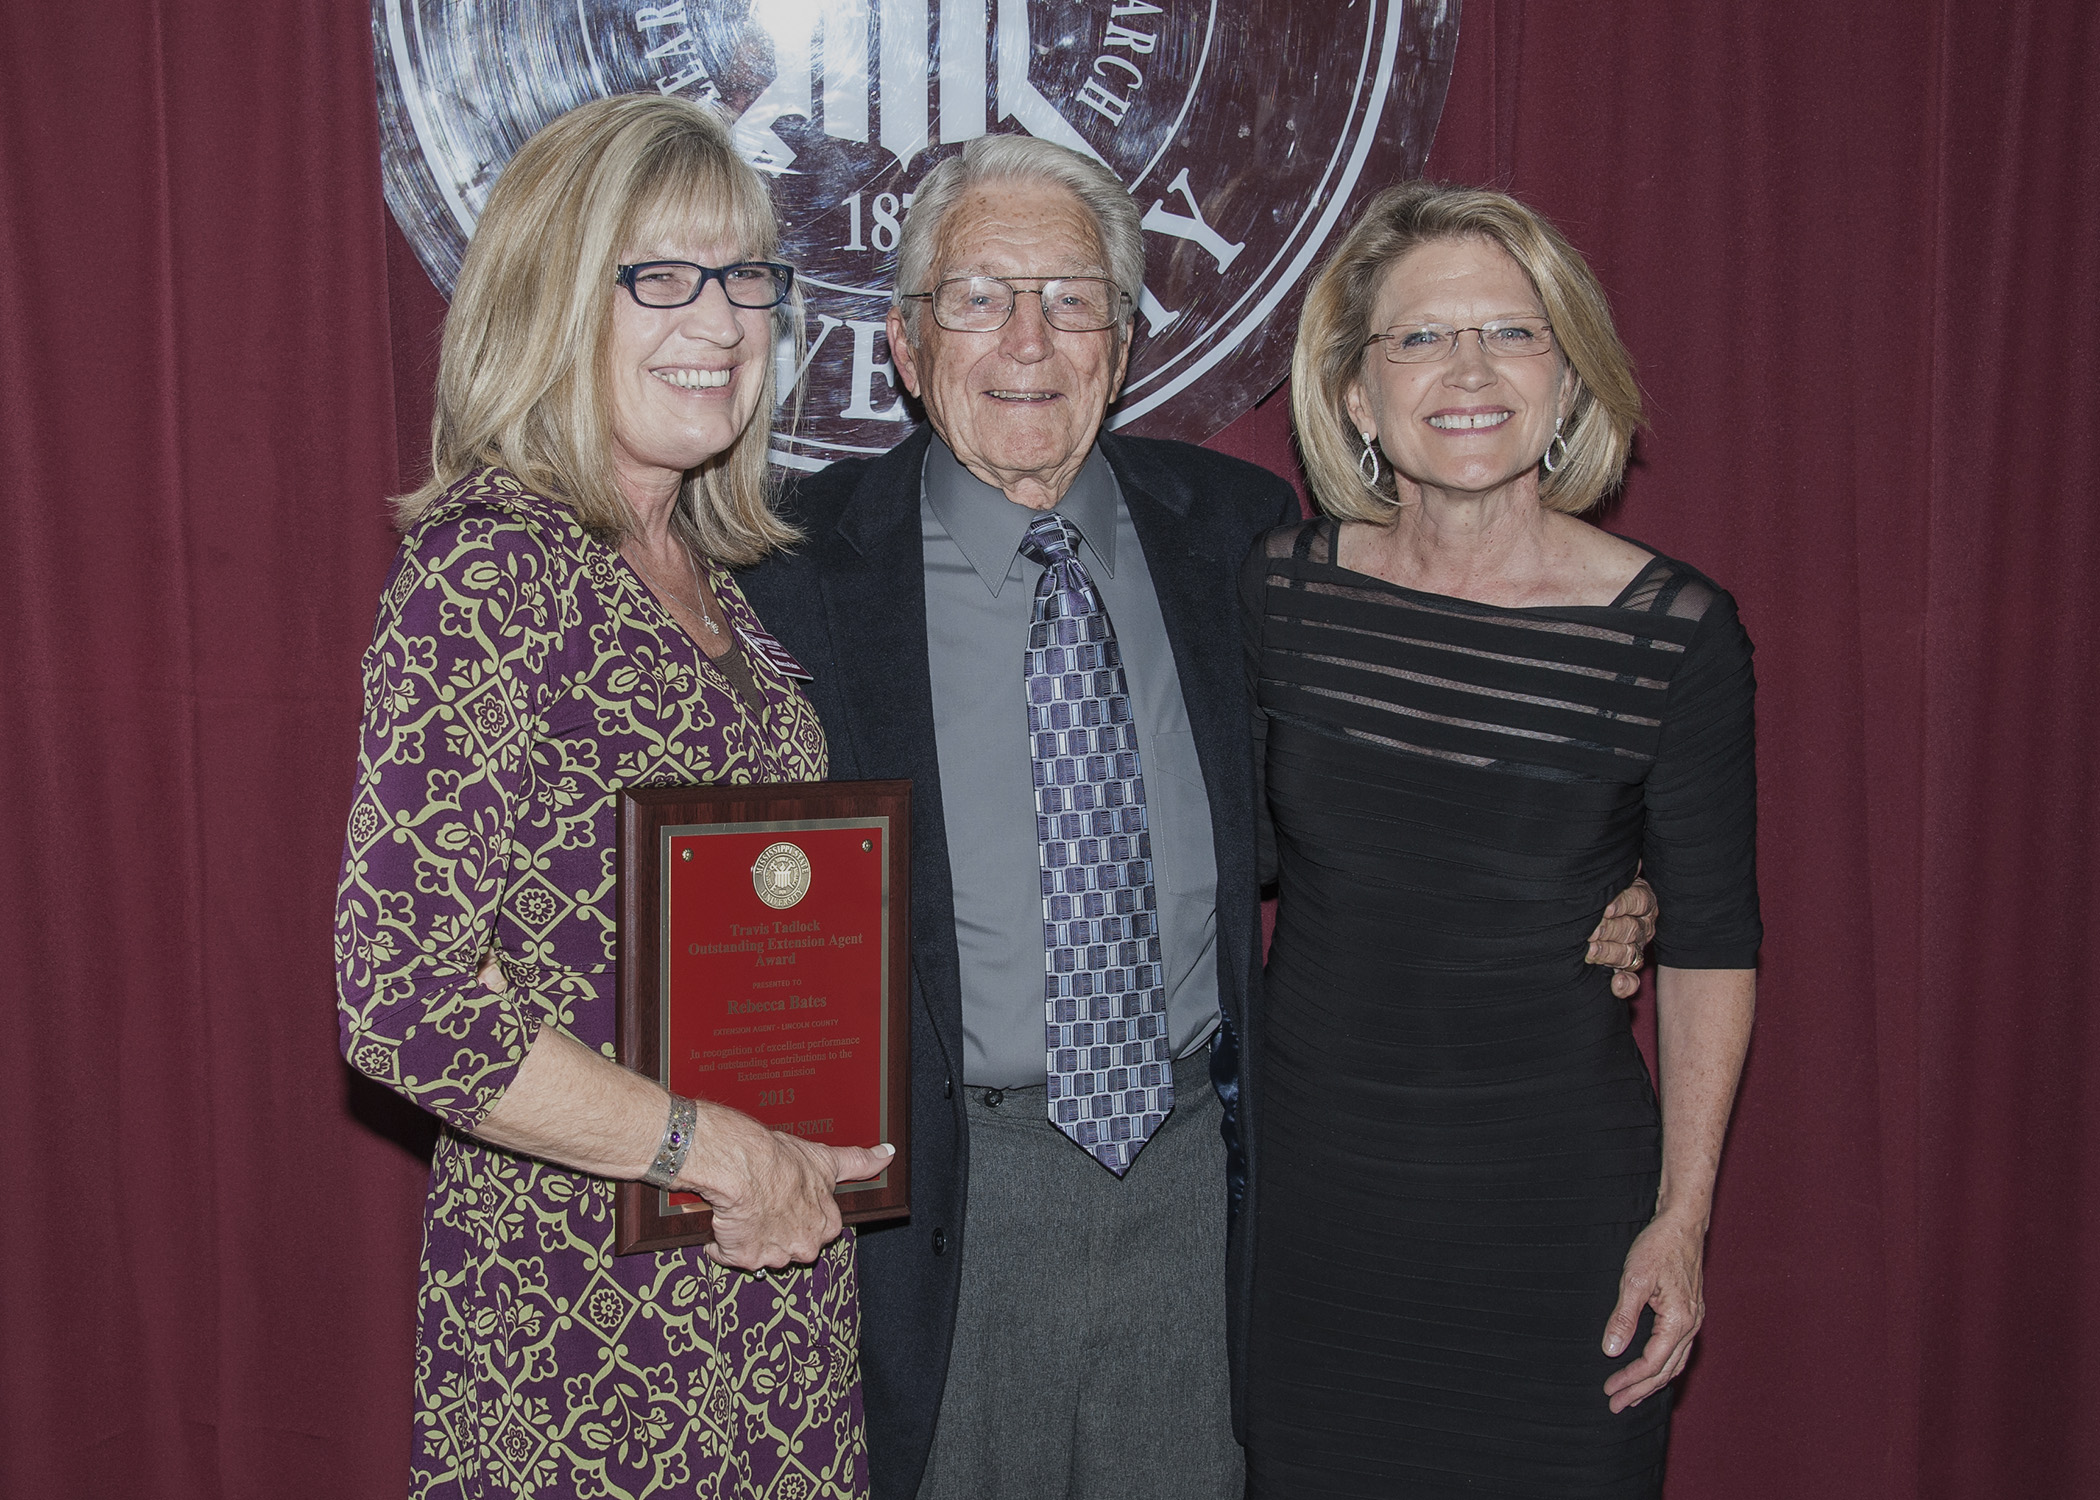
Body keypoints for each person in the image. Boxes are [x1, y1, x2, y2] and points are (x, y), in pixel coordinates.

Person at [740, 140, 1655, 1500]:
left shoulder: (1241, 537)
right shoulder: (785, 570)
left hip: (1194, 1190)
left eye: (1074, 294)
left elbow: (1358, 808)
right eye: (982, 295)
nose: (1031, 339)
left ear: (1125, 335)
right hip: (930, 1205)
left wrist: (1572, 885)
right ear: (907, 343)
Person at [333, 95, 889, 1500]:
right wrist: (715, 1152)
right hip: (582, 1328)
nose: (719, 319)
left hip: (769, 1295)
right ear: (552, 297)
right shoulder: (491, 575)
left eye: (746, 277)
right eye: (661, 276)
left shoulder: (730, 594)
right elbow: (409, 1002)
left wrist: (777, 1164)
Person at [1238, 180, 1761, 1498]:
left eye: (1513, 333)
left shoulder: (1674, 634)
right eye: (1420, 338)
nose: (1468, 371)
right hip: (1315, 1223)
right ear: (1356, 393)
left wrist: (1681, 1224)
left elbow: (1711, 946)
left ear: (1569, 375)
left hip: (1558, 1223)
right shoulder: (1278, 593)